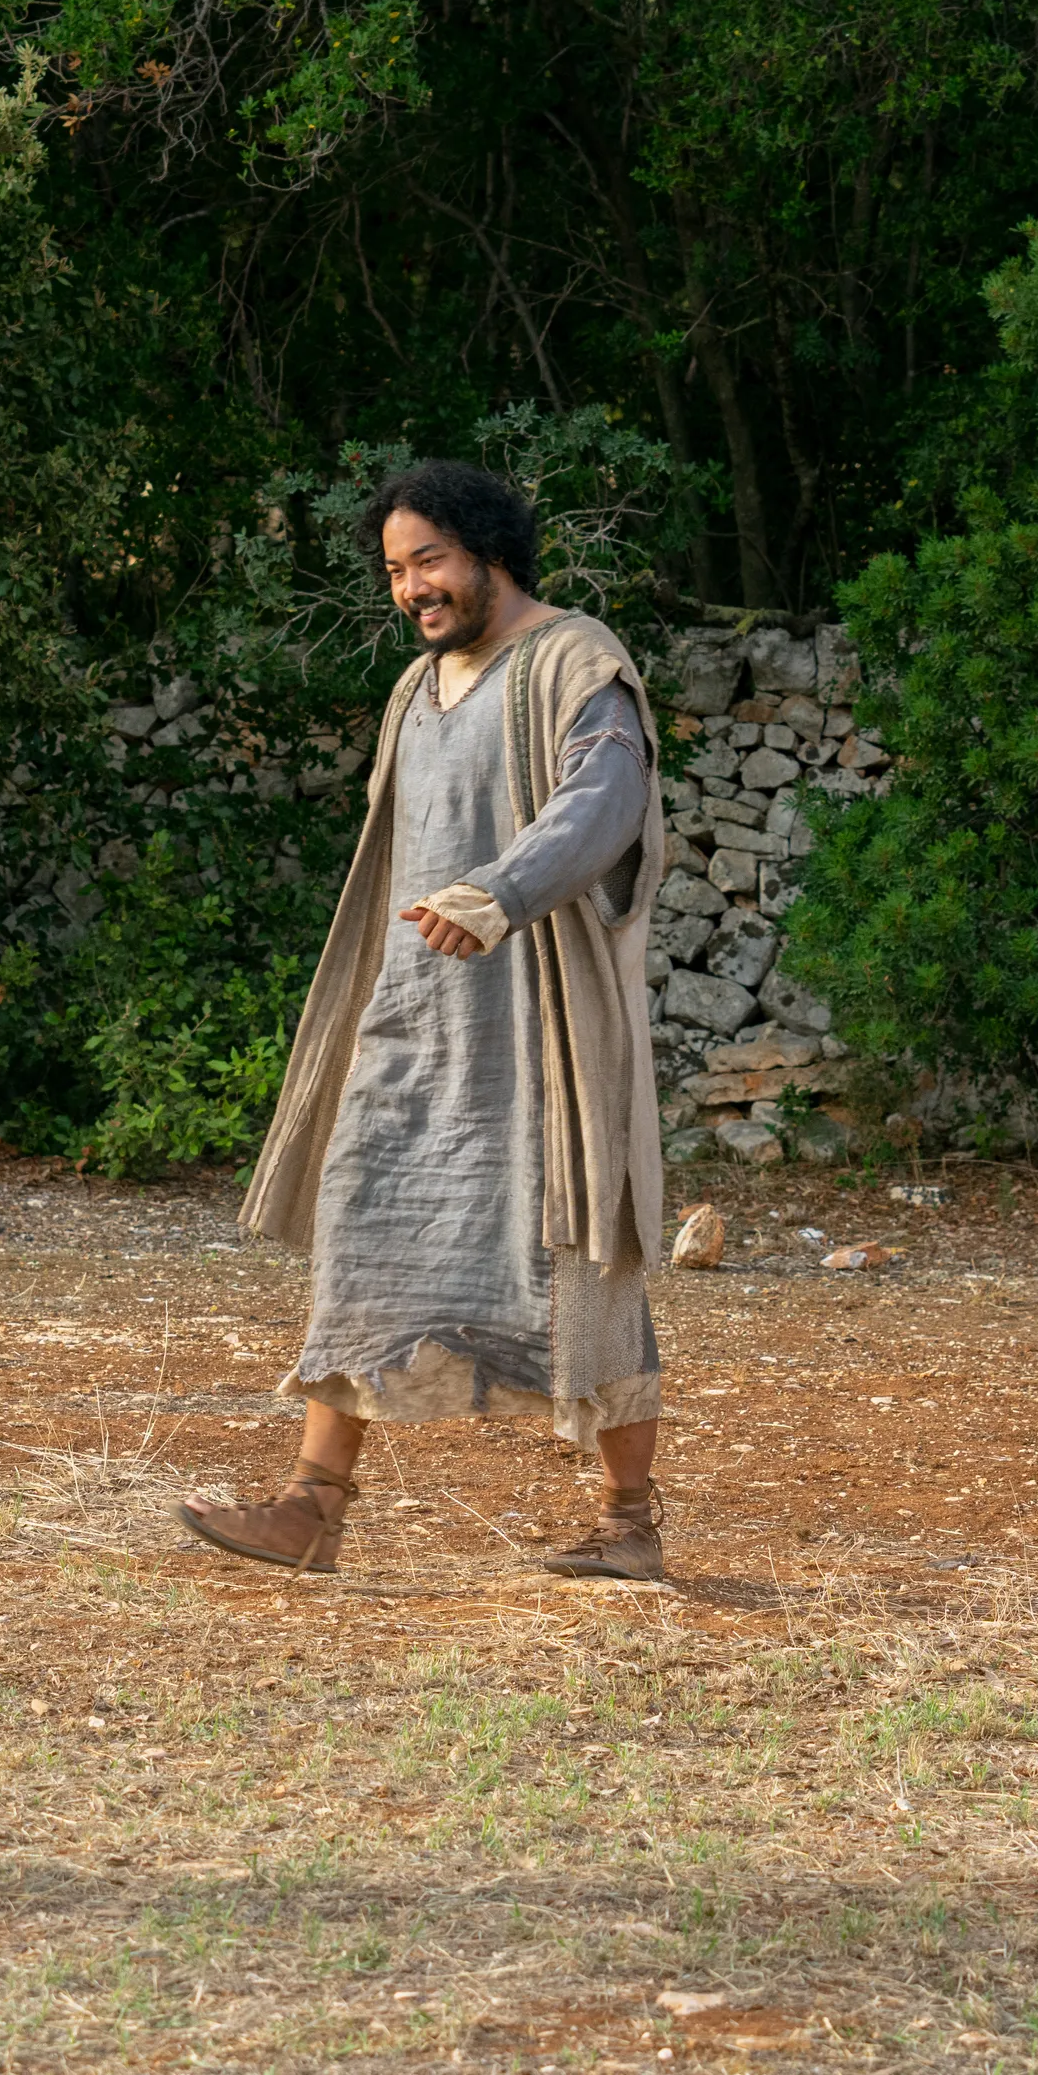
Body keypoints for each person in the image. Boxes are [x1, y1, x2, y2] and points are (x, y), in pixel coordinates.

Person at [183, 459, 675, 1579]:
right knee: (367, 1226)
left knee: (577, 1256)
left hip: (541, 1027)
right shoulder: (418, 689)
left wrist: (498, 895)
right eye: (397, 571)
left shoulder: (572, 659)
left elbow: (605, 803)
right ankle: (313, 1506)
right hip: (414, 1019)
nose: (412, 588)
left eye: (431, 561)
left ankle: (629, 1522)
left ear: (491, 550)